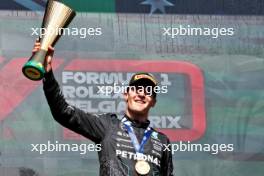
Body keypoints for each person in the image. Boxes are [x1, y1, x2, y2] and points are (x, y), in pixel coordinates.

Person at [33, 41, 174, 176]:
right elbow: (63, 112)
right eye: (137, 89)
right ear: (126, 95)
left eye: (148, 91)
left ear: (153, 102)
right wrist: (48, 74)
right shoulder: (108, 125)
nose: (141, 94)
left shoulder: (162, 141)